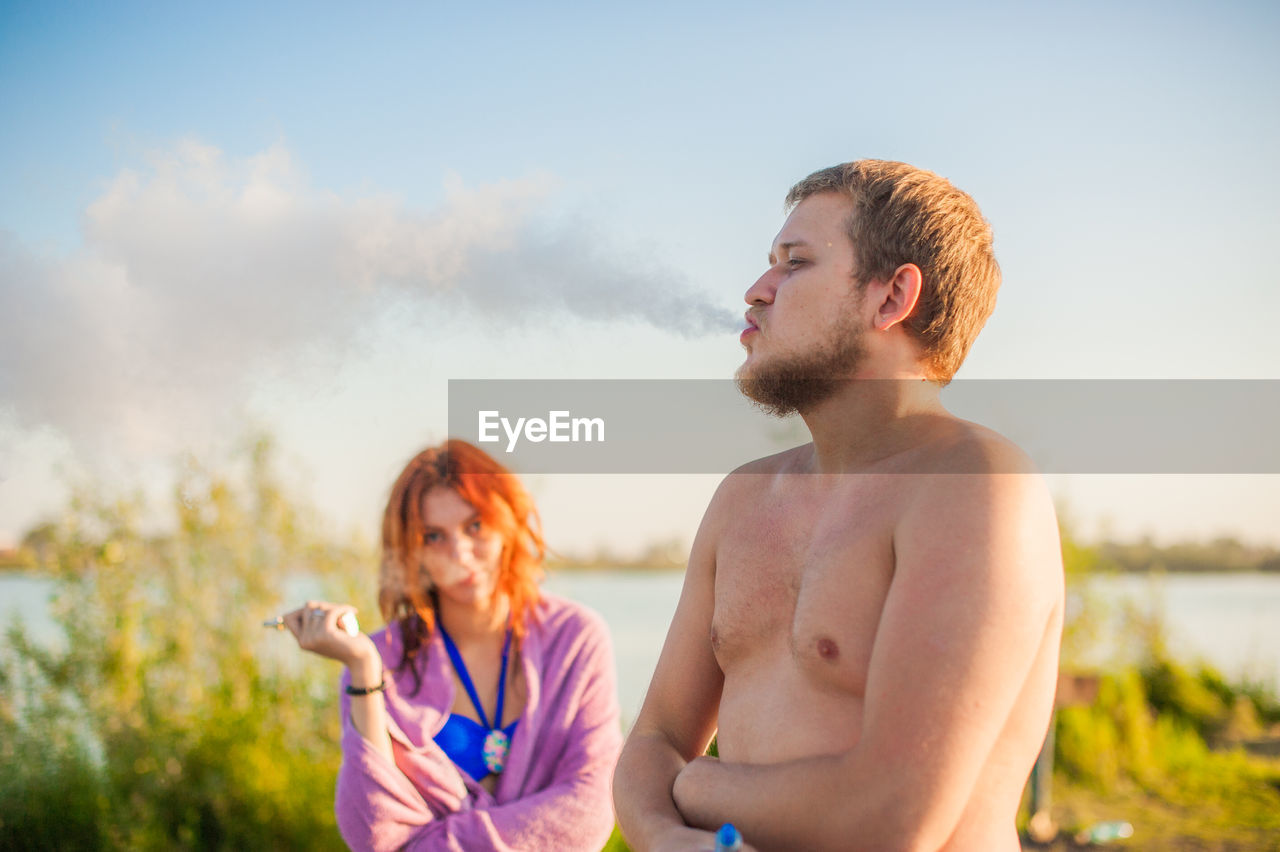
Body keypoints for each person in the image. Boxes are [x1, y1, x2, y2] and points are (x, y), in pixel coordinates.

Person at [613, 160, 1064, 852]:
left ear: (891, 297)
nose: (756, 292)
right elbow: (654, 739)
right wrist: (664, 838)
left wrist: (698, 789)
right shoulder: (742, 497)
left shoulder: (973, 482)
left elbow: (892, 816)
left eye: (793, 265)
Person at [281, 439, 621, 851]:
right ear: (411, 551)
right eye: (434, 536)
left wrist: (426, 842)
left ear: (507, 524)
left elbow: (589, 809)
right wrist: (364, 672)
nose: (460, 553)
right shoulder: (379, 662)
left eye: (475, 525)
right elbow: (372, 834)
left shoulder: (576, 639)